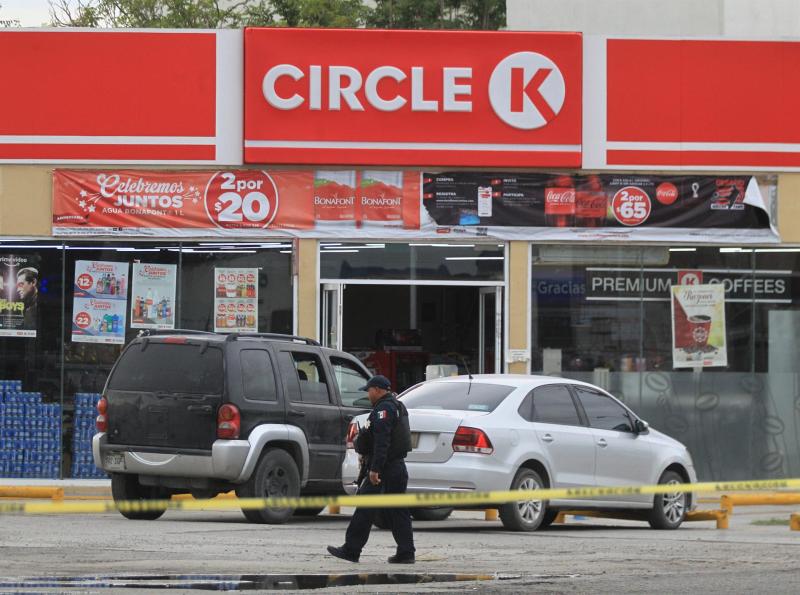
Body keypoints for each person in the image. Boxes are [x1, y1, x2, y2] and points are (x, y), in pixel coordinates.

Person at [327, 375, 415, 564]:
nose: (368, 395)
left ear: (377, 390)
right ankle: (406, 553)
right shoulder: (397, 406)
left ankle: (351, 550)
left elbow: (383, 442)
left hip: (384, 468)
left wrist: (375, 469)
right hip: (396, 467)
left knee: (365, 508)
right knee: (398, 511)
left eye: (369, 390)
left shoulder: (384, 409)